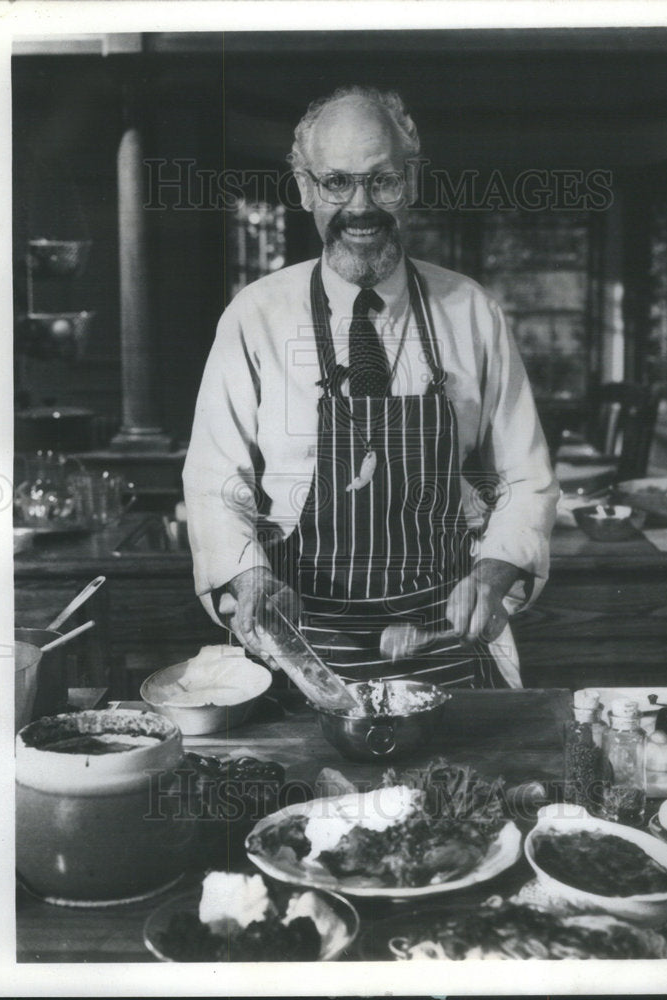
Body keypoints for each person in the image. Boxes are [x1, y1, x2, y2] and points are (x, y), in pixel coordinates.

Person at [183, 85, 558, 688]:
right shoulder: (255, 316)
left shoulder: (471, 311)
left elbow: (525, 477)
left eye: (381, 181)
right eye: (337, 182)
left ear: (410, 182)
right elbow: (212, 482)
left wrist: (490, 578)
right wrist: (251, 579)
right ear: (306, 188)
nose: (361, 207)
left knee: (467, 783)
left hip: (444, 634)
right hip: (297, 642)